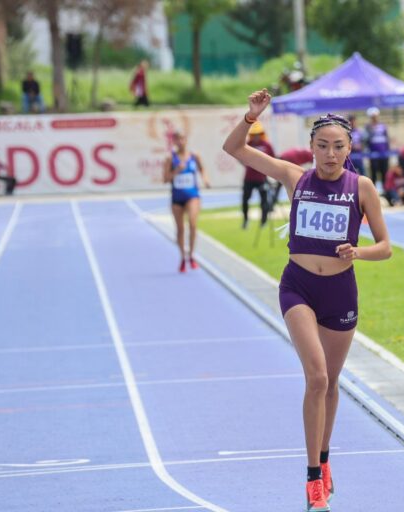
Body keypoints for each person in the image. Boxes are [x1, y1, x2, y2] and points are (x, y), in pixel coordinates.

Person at [223, 89, 391, 512]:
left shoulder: (362, 187)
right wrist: (251, 116)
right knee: (316, 377)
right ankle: (313, 478)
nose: (330, 155)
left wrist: (359, 252)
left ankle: (326, 457)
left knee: (331, 384)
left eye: (338, 147)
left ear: (350, 148)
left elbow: (386, 246)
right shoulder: (294, 177)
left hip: (341, 292)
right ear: (311, 148)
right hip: (298, 286)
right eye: (322, 146)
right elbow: (233, 149)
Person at [163, 131, 210, 272]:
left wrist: (205, 179)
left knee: (193, 224)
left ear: (186, 140)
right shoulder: (170, 159)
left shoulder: (194, 156)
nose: (180, 142)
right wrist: (176, 170)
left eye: (182, 139)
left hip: (192, 195)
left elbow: (202, 169)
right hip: (177, 197)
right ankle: (183, 257)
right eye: (177, 140)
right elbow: (165, 179)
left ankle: (192, 255)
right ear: (174, 142)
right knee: (180, 229)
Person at [242, 121, 275, 229]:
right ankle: (246, 220)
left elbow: (273, 159)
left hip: (262, 178)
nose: (256, 136)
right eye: (254, 134)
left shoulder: (267, 145)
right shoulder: (248, 144)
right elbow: (240, 156)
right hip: (249, 177)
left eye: (258, 134)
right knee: (245, 199)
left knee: (264, 201)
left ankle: (263, 221)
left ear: (261, 134)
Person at [365, 107, 391, 187]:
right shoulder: (368, 127)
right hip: (373, 155)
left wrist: (388, 151)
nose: (374, 118)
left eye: (375, 116)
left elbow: (387, 138)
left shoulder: (383, 126)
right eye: (372, 117)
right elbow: (366, 140)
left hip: (384, 154)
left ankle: (387, 193)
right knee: (374, 174)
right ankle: (373, 191)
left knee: (385, 173)